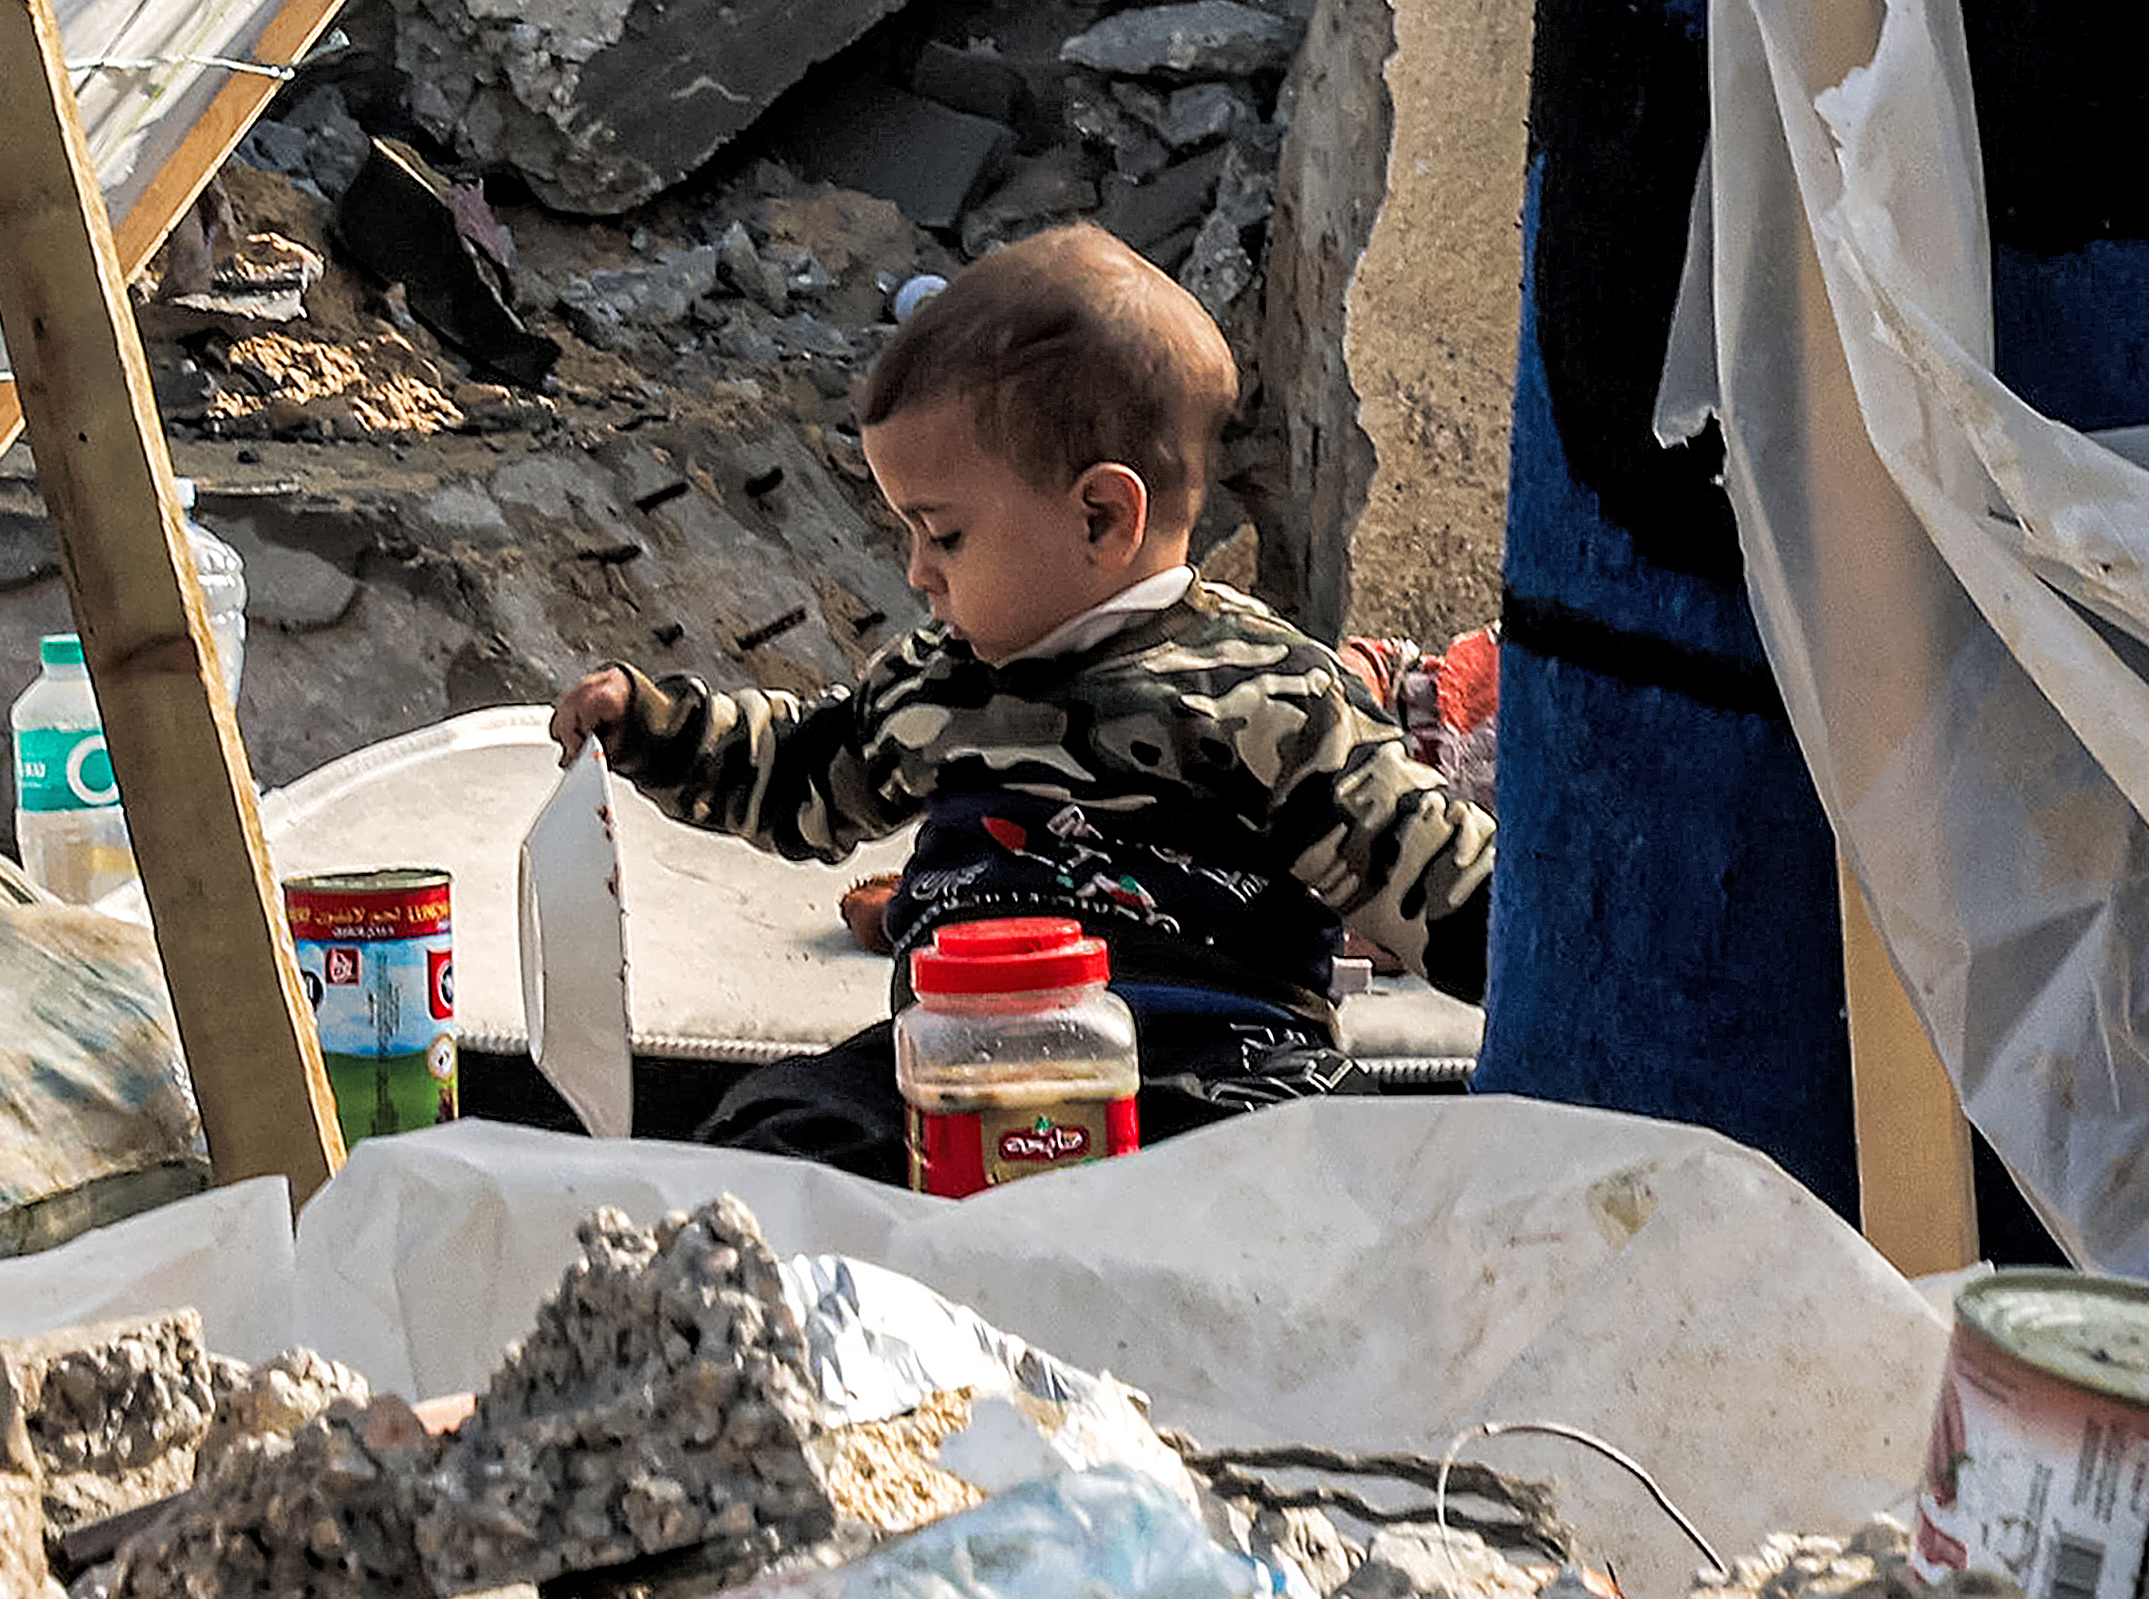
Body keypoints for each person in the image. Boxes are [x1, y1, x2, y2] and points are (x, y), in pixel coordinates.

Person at [548, 222, 1496, 1177]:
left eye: (944, 534)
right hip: (956, 1060)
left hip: (1208, 1066)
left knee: (1362, 1166)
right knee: (777, 1133)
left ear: (1102, 517)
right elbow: (800, 770)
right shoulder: (935, 678)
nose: (917, 571)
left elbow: (1436, 875)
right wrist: (656, 729)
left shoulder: (1272, 696)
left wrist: (1586, 968)